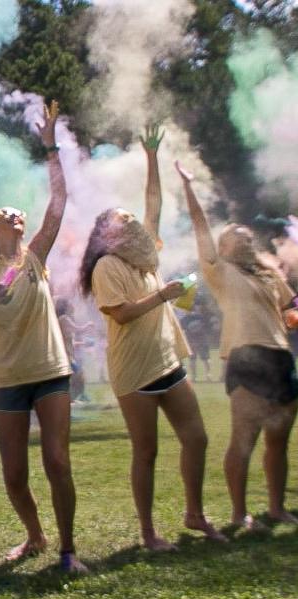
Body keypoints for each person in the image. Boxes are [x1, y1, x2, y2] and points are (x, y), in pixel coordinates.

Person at [78, 125, 224, 551]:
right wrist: (162, 294)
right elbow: (121, 315)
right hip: (134, 372)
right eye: (123, 220)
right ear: (107, 234)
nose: (133, 222)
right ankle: (147, 533)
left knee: (196, 437)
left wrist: (152, 158)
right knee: (146, 452)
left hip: (168, 361)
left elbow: (153, 204)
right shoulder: (106, 266)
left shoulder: (145, 258)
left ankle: (194, 513)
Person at [0, 101, 86, 572]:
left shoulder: (35, 255)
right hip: (8, 377)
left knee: (57, 461)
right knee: (14, 474)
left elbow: (58, 203)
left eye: (19, 214)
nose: (16, 217)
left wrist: (50, 146)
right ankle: (35, 536)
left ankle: (68, 550)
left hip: (51, 370)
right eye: (6, 215)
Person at [177, 161, 298, 531]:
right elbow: (200, 229)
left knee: (279, 439)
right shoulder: (220, 271)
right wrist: (189, 189)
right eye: (237, 236)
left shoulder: (269, 274)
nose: (246, 239)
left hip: (279, 358)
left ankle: (276, 509)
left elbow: (290, 309)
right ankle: (239, 513)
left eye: (248, 236)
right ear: (223, 247)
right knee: (244, 439)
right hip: (245, 357)